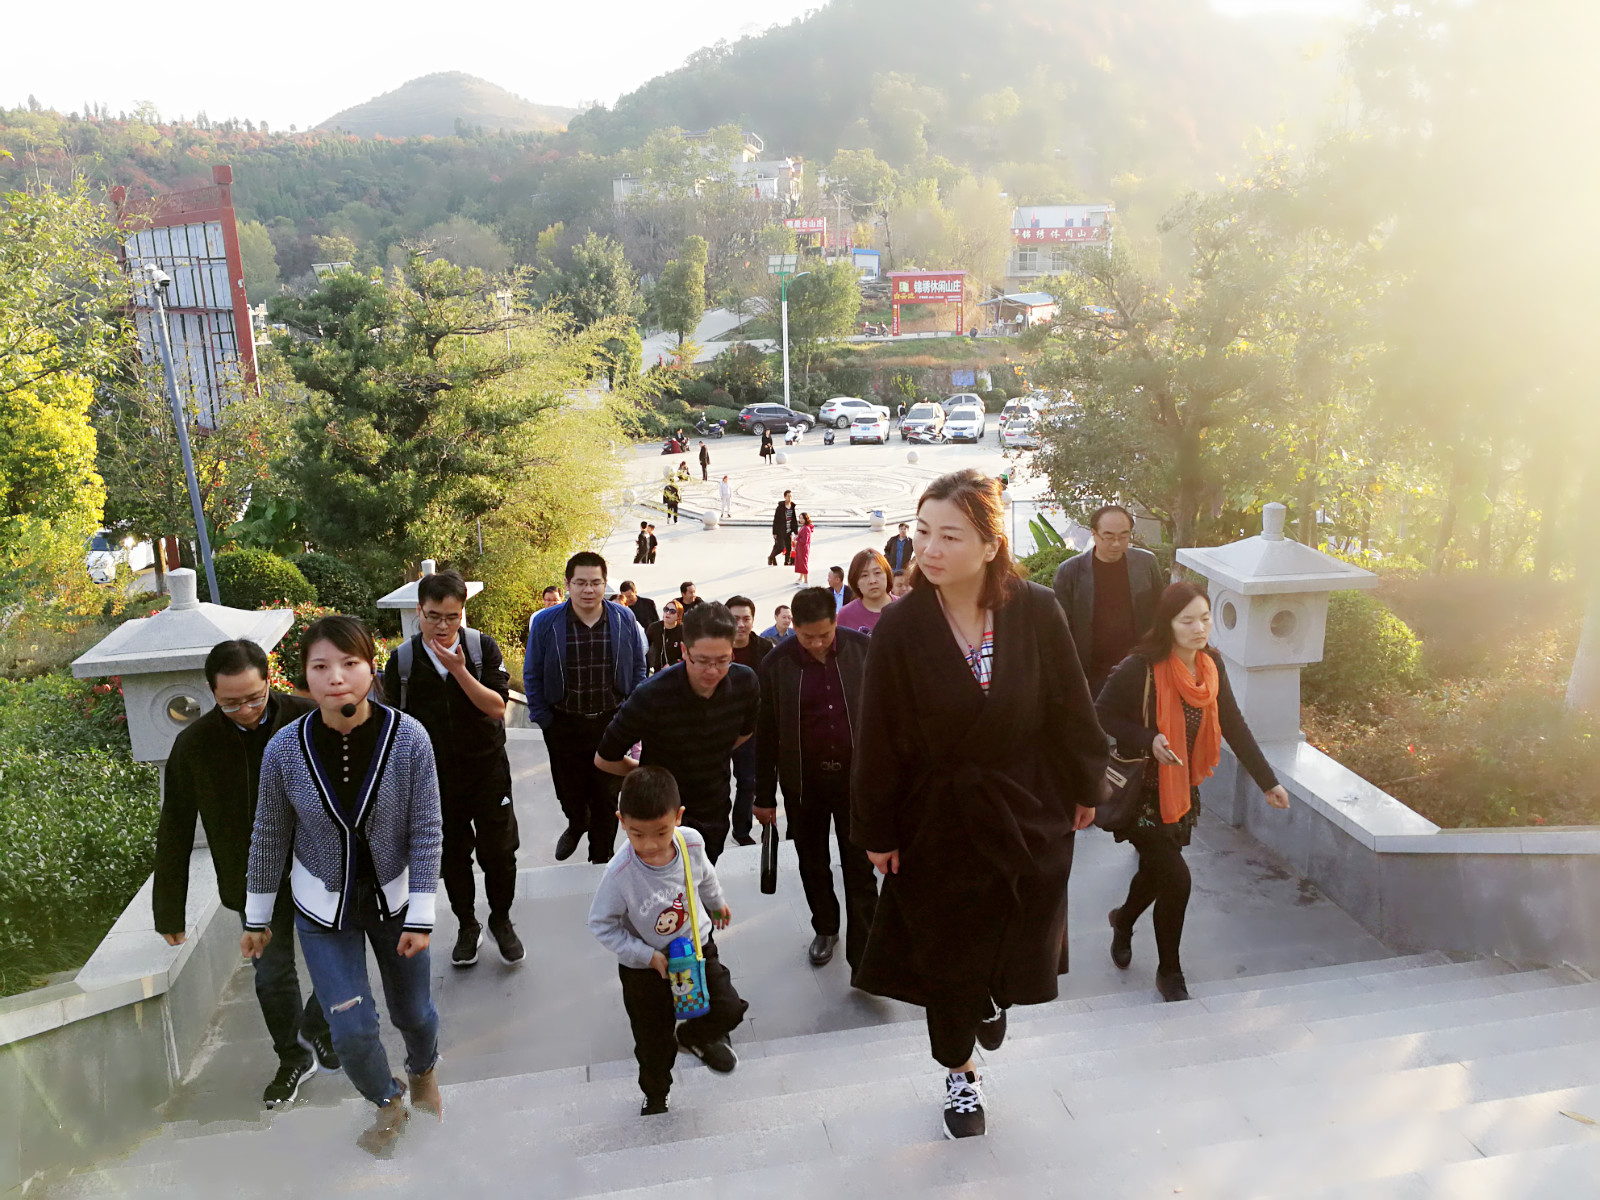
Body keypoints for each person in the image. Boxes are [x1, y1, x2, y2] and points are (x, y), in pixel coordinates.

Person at [850, 469, 1108, 1140]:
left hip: (1025, 799)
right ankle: (959, 1071)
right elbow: (877, 736)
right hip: (936, 814)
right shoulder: (901, 626)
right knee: (947, 950)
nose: (929, 549)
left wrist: (1087, 785)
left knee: (1020, 920)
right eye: (923, 532)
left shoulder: (1036, 610)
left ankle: (993, 994)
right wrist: (877, 828)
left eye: (950, 535)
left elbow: (1070, 705)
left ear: (991, 544)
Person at [242, 616, 443, 1156]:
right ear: (302, 677)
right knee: (350, 1029)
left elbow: (427, 830)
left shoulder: (409, 739)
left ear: (371, 668)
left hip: (397, 903)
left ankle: (423, 1069)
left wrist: (422, 914)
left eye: (350, 663)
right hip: (322, 910)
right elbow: (269, 835)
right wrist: (257, 918)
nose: (336, 677)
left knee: (414, 1012)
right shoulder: (285, 749)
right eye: (321, 666)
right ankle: (387, 1100)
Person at [154, 639, 330, 1108]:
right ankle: (293, 1056)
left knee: (339, 962)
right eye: (231, 703)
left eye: (254, 697)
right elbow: (175, 826)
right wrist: (169, 910)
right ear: (212, 694)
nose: (247, 711)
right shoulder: (195, 745)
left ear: (269, 680)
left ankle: (319, 1025)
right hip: (254, 883)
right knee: (272, 976)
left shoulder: (309, 719)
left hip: (321, 869)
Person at [1097, 581, 1290, 1002]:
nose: (1199, 628)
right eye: (1187, 621)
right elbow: (1102, 713)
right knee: (1176, 879)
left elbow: (1233, 723)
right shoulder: (1139, 668)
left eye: (1204, 618)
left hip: (1181, 791)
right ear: (1167, 623)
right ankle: (1170, 971)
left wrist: (1268, 781)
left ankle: (1123, 920)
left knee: (1156, 873)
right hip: (1143, 795)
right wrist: (1148, 738)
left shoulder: (1210, 666)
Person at [588, 767, 746, 1116]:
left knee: (729, 1008)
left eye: (661, 832)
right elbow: (601, 924)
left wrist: (716, 902)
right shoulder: (619, 873)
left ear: (678, 817)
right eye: (637, 834)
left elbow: (705, 876)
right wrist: (645, 955)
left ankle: (696, 1037)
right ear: (622, 822)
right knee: (653, 1041)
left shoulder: (691, 842)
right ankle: (657, 1092)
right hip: (645, 970)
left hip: (695, 948)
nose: (650, 845)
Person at [384, 571, 521, 967]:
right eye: (433, 616)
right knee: (452, 856)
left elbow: (497, 707)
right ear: (419, 611)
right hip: (434, 779)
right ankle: (467, 925)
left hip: (487, 770)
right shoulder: (403, 661)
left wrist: (460, 670)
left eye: (451, 617)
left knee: (500, 853)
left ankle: (501, 920)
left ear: (462, 612)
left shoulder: (480, 648)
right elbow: (395, 724)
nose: (442, 626)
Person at [756, 588, 877, 971]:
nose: (817, 643)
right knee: (812, 861)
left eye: (824, 634)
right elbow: (766, 734)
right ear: (794, 626)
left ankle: (866, 953)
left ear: (836, 621)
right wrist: (763, 796)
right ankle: (825, 928)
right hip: (804, 783)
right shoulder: (776, 664)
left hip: (855, 781)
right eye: (808, 636)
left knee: (860, 865)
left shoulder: (863, 651)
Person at [595, 603, 760, 863]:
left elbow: (744, 733)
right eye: (701, 661)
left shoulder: (745, 683)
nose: (712, 671)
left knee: (702, 875)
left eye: (722, 661)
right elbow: (604, 758)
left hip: (713, 810)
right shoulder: (651, 695)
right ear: (684, 650)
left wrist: (709, 753)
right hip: (659, 817)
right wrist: (651, 773)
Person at [525, 553, 648, 865]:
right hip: (563, 723)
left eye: (595, 582)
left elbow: (638, 667)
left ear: (605, 584)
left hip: (611, 723)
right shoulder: (547, 622)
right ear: (568, 584)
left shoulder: (623, 619)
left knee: (606, 796)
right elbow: (532, 672)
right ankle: (578, 822)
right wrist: (545, 720)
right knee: (570, 791)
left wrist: (631, 716)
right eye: (580, 582)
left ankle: (600, 859)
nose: (588, 590)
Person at [1052, 504, 1167, 696]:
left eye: (1123, 536)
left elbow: (1161, 612)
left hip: (1140, 669)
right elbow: (1060, 628)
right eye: (1109, 536)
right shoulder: (1070, 571)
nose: (1116, 544)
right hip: (1091, 673)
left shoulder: (1146, 564)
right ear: (1094, 534)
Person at [725, 595, 774, 847]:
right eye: (735, 619)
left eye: (746, 618)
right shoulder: (716, 645)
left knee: (747, 781)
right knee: (717, 784)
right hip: (720, 727)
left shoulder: (765, 649)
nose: (741, 624)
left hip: (753, 728)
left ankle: (741, 830)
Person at [838, 548, 894, 635]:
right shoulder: (845, 615)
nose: (872, 581)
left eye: (877, 573)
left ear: (887, 574)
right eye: (864, 575)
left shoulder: (906, 608)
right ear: (856, 582)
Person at [647, 599, 685, 672]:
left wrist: (672, 664)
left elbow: (690, 654)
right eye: (666, 609)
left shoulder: (683, 630)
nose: (668, 613)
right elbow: (644, 647)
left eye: (672, 611)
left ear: (678, 616)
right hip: (659, 671)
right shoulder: (654, 628)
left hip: (677, 670)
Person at [769, 490, 797, 566]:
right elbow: (776, 520)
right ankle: (771, 557)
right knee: (780, 547)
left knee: (789, 548)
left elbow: (794, 520)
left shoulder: (792, 507)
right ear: (785, 497)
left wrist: (795, 532)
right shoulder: (780, 507)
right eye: (788, 496)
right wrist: (774, 532)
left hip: (789, 531)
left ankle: (786, 562)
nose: (789, 498)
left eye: (790, 496)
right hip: (780, 531)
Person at [794, 513, 815, 586]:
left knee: (803, 564)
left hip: (803, 549)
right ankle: (800, 578)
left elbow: (804, 541)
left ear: (806, 519)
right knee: (802, 563)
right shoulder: (805, 526)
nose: (801, 520)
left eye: (802, 518)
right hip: (803, 548)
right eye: (800, 518)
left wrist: (796, 538)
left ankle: (806, 582)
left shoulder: (806, 528)